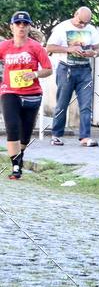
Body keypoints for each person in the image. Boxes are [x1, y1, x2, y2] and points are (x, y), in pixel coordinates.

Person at [0, 11, 52, 179]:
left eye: (25, 24)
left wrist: (35, 74)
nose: (21, 27)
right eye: (18, 24)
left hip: (32, 94)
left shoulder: (36, 47)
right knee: (12, 127)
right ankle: (16, 167)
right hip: (10, 92)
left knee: (26, 133)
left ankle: (20, 156)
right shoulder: (4, 46)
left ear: (29, 27)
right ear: (12, 27)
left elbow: (48, 69)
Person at [47, 7, 99, 147]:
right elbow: (49, 47)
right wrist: (68, 49)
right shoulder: (62, 27)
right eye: (81, 22)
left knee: (86, 105)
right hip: (66, 69)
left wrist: (93, 53)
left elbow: (98, 49)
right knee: (62, 103)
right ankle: (56, 135)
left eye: (86, 23)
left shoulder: (92, 30)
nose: (83, 25)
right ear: (75, 14)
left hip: (85, 70)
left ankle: (85, 137)